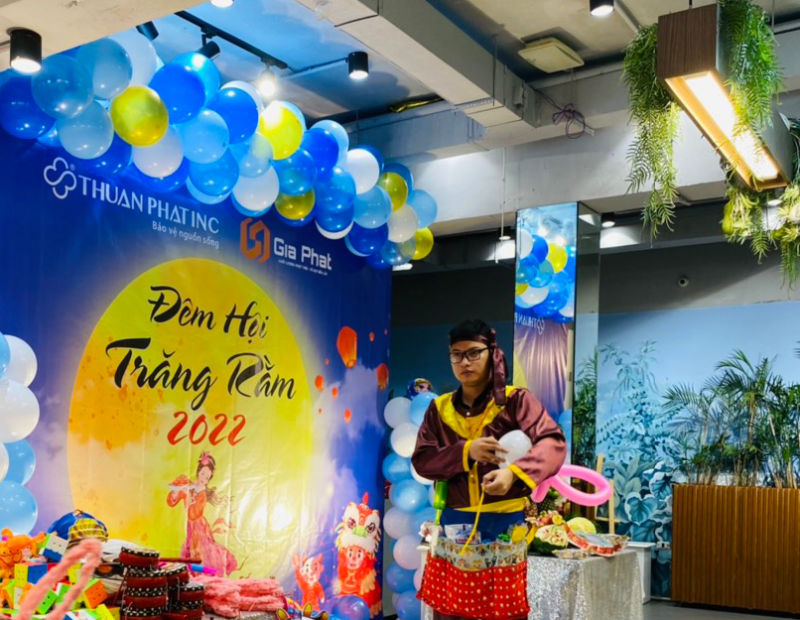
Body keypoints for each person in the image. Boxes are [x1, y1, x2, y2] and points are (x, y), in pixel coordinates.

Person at [412, 319, 566, 620]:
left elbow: (553, 443)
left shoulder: (516, 401)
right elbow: (422, 460)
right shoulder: (439, 409)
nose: (464, 362)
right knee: (451, 612)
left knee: (502, 612)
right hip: (453, 526)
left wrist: (514, 473)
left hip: (503, 526)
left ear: (492, 354)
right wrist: (466, 452)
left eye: (473, 353)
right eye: (457, 354)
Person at [167, 452, 238, 576]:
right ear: (198, 472)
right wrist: (175, 493)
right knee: (191, 553)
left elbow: (194, 514)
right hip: (191, 526)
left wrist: (188, 499)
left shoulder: (202, 495)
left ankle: (209, 574)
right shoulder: (188, 485)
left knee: (203, 553)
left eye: (207, 477)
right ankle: (197, 576)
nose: (204, 478)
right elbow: (172, 501)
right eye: (203, 474)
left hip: (199, 527)